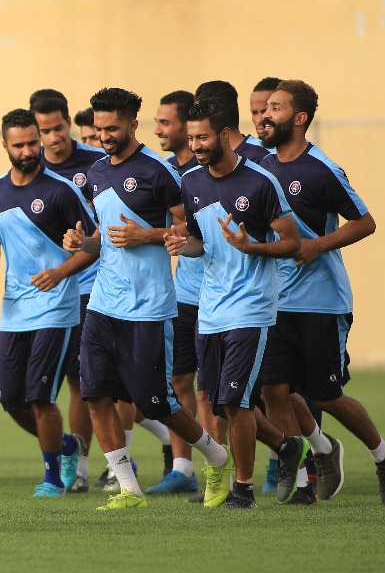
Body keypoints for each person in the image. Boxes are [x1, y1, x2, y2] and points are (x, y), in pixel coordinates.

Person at [62, 87, 232, 511]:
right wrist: (83, 243)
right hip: (103, 303)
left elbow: (189, 230)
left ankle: (214, 454)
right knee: (95, 394)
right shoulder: (98, 172)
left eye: (113, 128)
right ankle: (127, 488)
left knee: (154, 402)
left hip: (149, 307)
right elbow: (105, 237)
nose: (104, 135)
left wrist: (147, 235)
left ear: (132, 124)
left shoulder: (161, 171)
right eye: (99, 128)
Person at [257, 79, 385, 503]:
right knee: (273, 392)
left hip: (321, 301)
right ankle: (308, 470)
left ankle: (382, 453)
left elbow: (365, 222)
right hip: (275, 301)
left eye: (276, 109)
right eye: (265, 108)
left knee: (327, 395)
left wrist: (318, 244)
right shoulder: (259, 166)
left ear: (299, 119)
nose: (266, 115)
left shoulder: (322, 169)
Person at [165, 98, 302, 509]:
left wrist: (253, 247)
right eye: (190, 138)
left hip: (252, 307)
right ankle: (284, 447)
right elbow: (199, 243)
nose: (195, 145)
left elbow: (293, 243)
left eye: (202, 137)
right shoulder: (191, 183)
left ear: (224, 134)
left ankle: (242, 489)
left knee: (234, 400)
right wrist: (179, 244)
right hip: (211, 308)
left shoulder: (260, 182)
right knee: (212, 398)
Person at [0, 109, 95, 497]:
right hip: (15, 310)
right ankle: (64, 444)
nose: (29, 150)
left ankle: (52, 478)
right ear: (5, 146)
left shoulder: (61, 190)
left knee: (40, 396)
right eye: (20, 144)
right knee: (11, 400)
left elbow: (94, 247)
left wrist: (60, 273)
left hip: (56, 308)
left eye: (34, 142)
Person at [32, 88, 103, 491]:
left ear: (68, 124)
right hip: (43, 292)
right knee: (32, 390)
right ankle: (61, 456)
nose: (53, 137)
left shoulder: (95, 163)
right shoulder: (30, 166)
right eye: (45, 130)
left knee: (81, 381)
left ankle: (79, 470)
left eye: (59, 127)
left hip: (91, 285)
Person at [147, 89, 205, 498]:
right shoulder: (164, 172)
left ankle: (274, 461)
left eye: (165, 122)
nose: (158, 130)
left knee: (225, 390)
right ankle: (183, 467)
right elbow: (168, 229)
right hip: (183, 292)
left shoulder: (213, 170)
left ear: (188, 126)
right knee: (178, 379)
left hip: (227, 295)